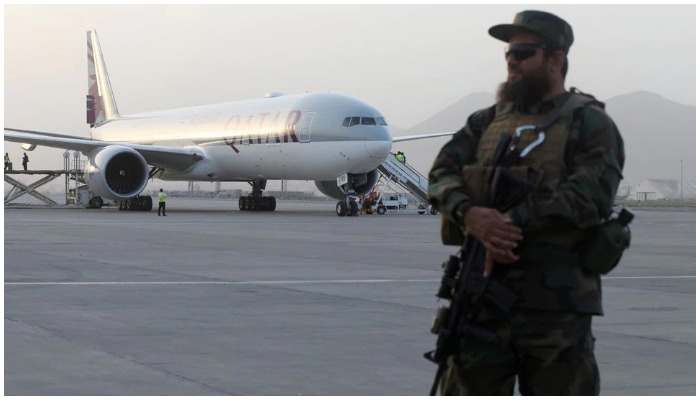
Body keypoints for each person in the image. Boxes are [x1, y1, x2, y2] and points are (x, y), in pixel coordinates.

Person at [428, 10, 625, 396]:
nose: (511, 61)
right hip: (481, 304)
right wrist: (470, 215)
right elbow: (440, 174)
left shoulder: (590, 124)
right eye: (508, 52)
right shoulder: (484, 122)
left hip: (556, 312)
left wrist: (508, 222)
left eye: (523, 51)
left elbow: (590, 196)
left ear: (556, 60)